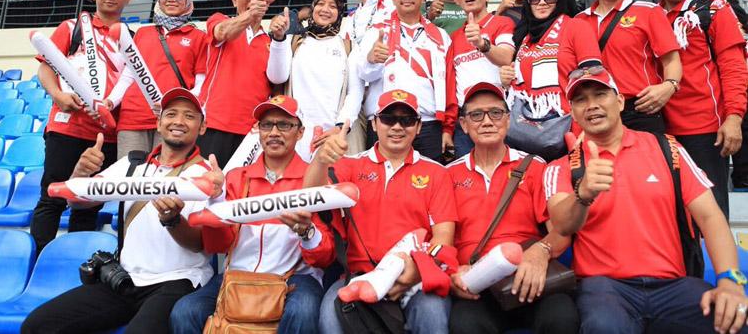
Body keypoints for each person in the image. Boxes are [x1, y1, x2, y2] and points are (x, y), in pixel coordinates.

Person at [544, 67, 748, 334]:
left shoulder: (668, 149)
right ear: (572, 112)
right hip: (605, 288)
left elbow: (710, 218)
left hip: (672, 287)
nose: (591, 105)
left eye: (600, 95)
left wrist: (730, 281)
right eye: (580, 100)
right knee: (604, 326)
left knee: (734, 319)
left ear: (619, 102)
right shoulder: (561, 167)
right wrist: (583, 195)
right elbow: (561, 225)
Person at [22, 87, 223, 334]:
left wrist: (172, 220)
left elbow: (199, 244)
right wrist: (80, 174)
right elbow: (79, 203)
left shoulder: (207, 177)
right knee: (37, 326)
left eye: (190, 116)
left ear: (202, 127)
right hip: (124, 280)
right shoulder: (131, 163)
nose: (179, 121)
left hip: (177, 282)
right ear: (158, 123)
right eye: (171, 114)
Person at [170, 95, 335, 334]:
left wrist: (307, 232)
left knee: (304, 309)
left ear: (300, 132)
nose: (274, 132)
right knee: (184, 311)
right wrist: (216, 200)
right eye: (267, 125)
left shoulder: (313, 178)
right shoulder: (237, 177)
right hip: (237, 277)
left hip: (294, 280)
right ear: (258, 131)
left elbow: (325, 258)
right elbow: (218, 245)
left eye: (284, 125)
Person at [305, 89, 458, 334]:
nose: (397, 126)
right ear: (375, 123)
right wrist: (321, 160)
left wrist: (416, 274)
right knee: (329, 319)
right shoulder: (351, 165)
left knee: (432, 315)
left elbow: (443, 238)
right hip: (358, 276)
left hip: (415, 277)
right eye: (388, 119)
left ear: (418, 127)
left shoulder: (436, 172)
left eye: (406, 120)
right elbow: (311, 198)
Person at [447, 82, 579, 334]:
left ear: (508, 121)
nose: (487, 121)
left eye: (496, 113)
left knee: (562, 316)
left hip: (529, 278)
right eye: (476, 115)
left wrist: (541, 251)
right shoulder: (447, 175)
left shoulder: (534, 167)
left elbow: (561, 231)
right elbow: (440, 239)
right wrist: (452, 274)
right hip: (477, 285)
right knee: (464, 325)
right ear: (463, 125)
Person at [30, 0, 132, 253]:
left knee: (88, 203)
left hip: (107, 135)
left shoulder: (130, 37)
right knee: (51, 198)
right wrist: (58, 95)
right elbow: (45, 67)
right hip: (66, 129)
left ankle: (75, 269)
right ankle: (38, 263)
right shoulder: (71, 27)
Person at [654, 0, 748, 218]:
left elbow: (733, 68)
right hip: (659, 130)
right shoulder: (649, 14)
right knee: (671, 216)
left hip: (704, 130)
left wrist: (733, 117)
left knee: (710, 217)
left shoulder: (715, 10)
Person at [575, 0, 681, 135]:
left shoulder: (649, 11)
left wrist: (669, 86)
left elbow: (671, 60)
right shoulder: (577, 21)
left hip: (641, 110)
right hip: (595, 113)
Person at [500, 0, 602, 161]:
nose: (542, 2)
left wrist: (585, 130)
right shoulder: (524, 37)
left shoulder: (576, 27)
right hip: (526, 134)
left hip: (571, 132)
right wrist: (507, 78)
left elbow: (594, 80)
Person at [109, 0, 207, 159]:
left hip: (173, 119)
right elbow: (129, 74)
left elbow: (201, 84)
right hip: (133, 117)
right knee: (129, 177)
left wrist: (173, 103)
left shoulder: (199, 36)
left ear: (188, 0)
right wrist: (111, 101)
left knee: (163, 178)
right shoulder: (142, 33)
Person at [358, 0, 451, 160]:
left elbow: (450, 83)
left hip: (428, 124)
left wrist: (448, 127)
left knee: (428, 185)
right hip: (384, 122)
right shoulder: (376, 31)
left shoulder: (440, 36)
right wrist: (372, 59)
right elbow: (363, 75)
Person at [197, 0, 286, 166]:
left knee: (242, 193)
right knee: (206, 189)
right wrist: (249, 15)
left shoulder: (271, 40)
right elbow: (222, 32)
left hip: (252, 133)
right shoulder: (219, 19)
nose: (253, 0)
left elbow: (277, 86)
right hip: (214, 124)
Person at [267, 0, 364, 161]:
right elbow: (277, 77)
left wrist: (340, 127)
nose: (326, 9)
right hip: (295, 134)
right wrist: (278, 38)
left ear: (339, 14)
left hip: (333, 135)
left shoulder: (349, 47)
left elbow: (355, 91)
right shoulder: (293, 41)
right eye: (321, 4)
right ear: (312, 9)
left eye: (333, 6)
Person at [444, 0, 516, 159]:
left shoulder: (502, 22)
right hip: (466, 121)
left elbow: (506, 57)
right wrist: (448, 127)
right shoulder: (452, 38)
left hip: (497, 116)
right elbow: (452, 85)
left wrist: (481, 44)